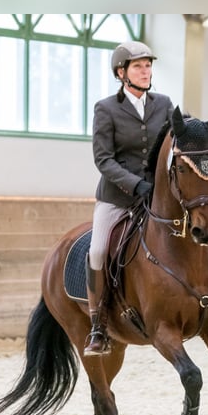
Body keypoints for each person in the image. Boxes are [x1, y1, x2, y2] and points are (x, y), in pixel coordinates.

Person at [85, 40, 174, 356]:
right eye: (138, 66)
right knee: (97, 251)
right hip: (118, 198)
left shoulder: (164, 104)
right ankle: (98, 324)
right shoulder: (106, 108)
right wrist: (135, 185)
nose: (145, 70)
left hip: (155, 197)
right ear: (121, 72)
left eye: (148, 65)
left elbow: (172, 146)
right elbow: (103, 159)